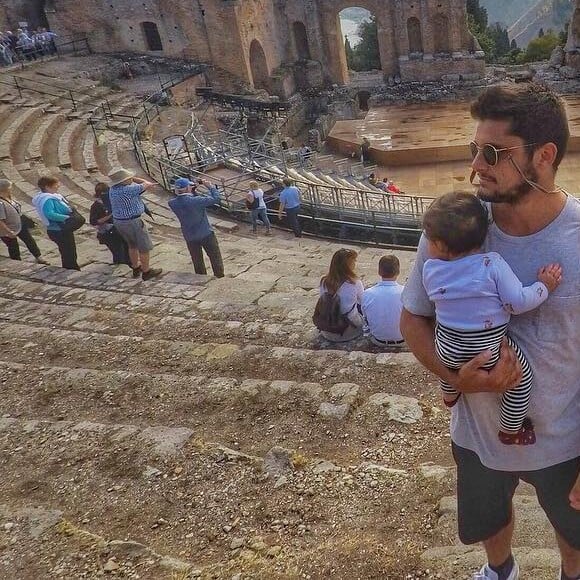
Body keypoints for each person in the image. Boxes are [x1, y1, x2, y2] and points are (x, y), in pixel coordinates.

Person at [400, 84, 579, 580]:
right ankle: (500, 572)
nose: (476, 165)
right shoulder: (457, 226)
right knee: (489, 520)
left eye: (494, 153)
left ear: (544, 157)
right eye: (473, 149)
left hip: (568, 442)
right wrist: (454, 377)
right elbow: (413, 318)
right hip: (478, 438)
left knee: (574, 540)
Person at [422, 191, 562, 445]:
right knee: (521, 379)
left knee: (447, 348)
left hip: (446, 350)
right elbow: (517, 303)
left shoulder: (430, 269)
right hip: (488, 352)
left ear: (441, 245)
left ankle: (449, 392)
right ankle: (511, 429)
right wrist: (544, 286)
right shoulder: (492, 264)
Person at [108, 168, 162, 281]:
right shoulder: (129, 190)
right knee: (144, 247)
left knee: (132, 245)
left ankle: (135, 267)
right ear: (122, 181)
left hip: (119, 221)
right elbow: (146, 184)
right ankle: (146, 271)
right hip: (133, 221)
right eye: (128, 178)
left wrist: (129, 178)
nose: (130, 179)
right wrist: (134, 178)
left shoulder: (112, 190)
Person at [168, 177, 224, 278]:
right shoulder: (196, 201)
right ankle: (219, 276)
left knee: (197, 259)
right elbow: (216, 198)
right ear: (187, 188)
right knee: (215, 257)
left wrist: (192, 189)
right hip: (205, 233)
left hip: (189, 236)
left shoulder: (172, 203)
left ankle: (201, 278)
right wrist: (210, 187)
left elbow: (183, 199)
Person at [31, 176, 80, 270]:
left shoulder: (50, 196)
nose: (58, 186)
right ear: (47, 187)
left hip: (59, 229)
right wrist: (67, 218)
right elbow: (49, 214)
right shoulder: (47, 199)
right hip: (59, 229)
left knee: (68, 250)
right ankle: (71, 269)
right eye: (55, 184)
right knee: (68, 251)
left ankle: (70, 267)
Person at [318, 248, 364, 342]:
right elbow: (363, 302)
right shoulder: (355, 283)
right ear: (349, 265)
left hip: (327, 330)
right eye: (354, 261)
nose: (355, 263)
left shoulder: (324, 281)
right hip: (349, 331)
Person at [0, 179, 48, 264]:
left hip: (19, 224)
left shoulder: (9, 196)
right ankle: (17, 263)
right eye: (10, 187)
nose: (12, 188)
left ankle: (38, 256)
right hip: (8, 230)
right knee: (13, 247)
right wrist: (9, 232)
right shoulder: (0, 203)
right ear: (5, 189)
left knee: (29, 240)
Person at [361, 255, 405, 348]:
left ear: (379, 272)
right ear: (398, 272)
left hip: (378, 340)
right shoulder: (406, 293)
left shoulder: (367, 294)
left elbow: (365, 318)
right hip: (403, 340)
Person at [89, 182, 130, 266]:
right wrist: (109, 215)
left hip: (119, 229)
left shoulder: (111, 200)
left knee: (127, 248)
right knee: (118, 253)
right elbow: (94, 221)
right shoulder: (96, 206)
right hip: (108, 233)